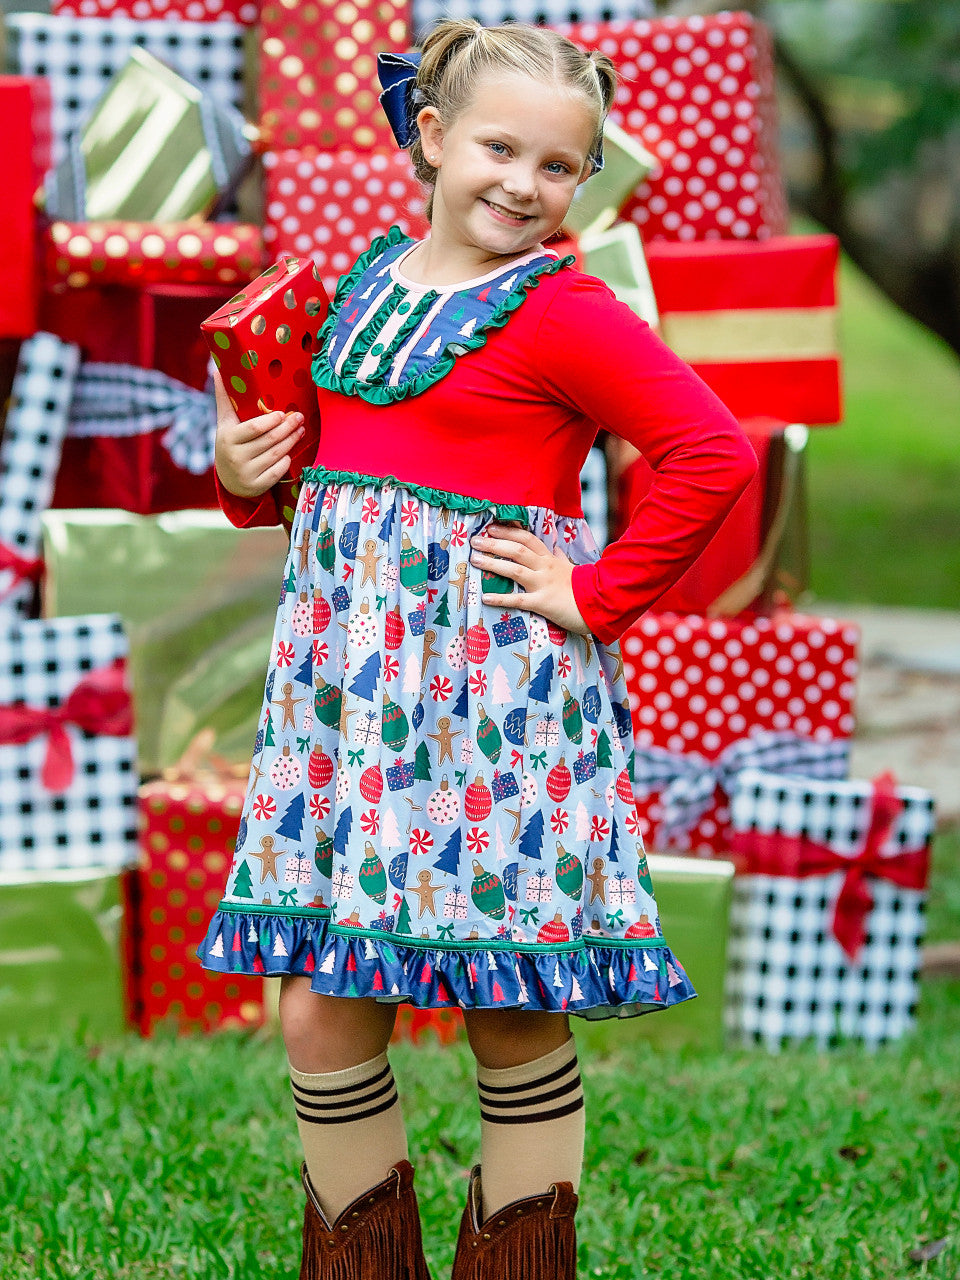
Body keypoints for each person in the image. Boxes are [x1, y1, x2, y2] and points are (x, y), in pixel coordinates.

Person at [200, 18, 757, 1279]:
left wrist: (602, 589)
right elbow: (321, 482)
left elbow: (709, 452)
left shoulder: (566, 312)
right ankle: (360, 1264)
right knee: (321, 996)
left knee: (508, 1003)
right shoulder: (354, 287)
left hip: (492, 701)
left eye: (561, 166)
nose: (525, 183)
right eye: (501, 148)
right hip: (351, 697)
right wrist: (239, 476)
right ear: (434, 138)